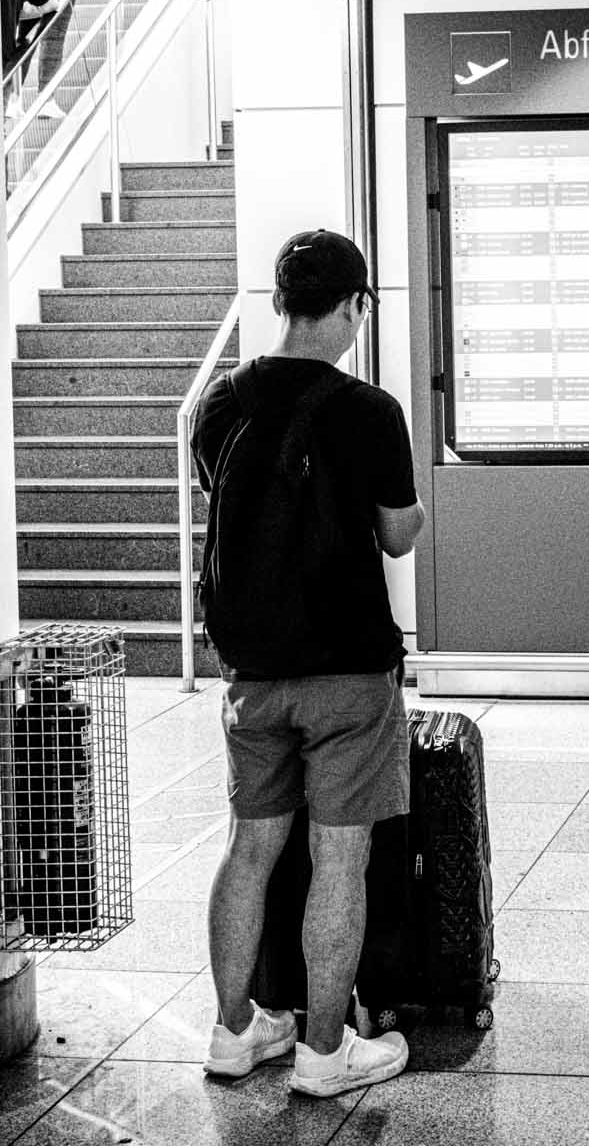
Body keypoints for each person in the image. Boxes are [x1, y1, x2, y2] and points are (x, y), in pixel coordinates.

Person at [189, 229, 422, 1098]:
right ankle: (327, 1051)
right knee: (339, 859)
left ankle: (235, 1031)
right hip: (347, 671)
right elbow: (397, 537)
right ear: (357, 305)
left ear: (282, 302)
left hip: (251, 668)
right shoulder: (369, 412)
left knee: (249, 849)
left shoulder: (220, 402)